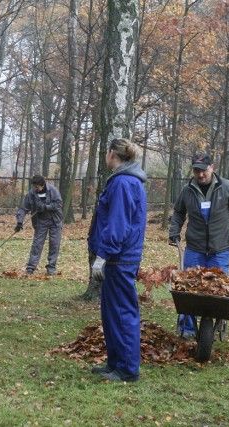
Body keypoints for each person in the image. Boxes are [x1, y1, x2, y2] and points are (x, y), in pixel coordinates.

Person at [169, 153, 229, 338]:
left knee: (220, 290)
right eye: (197, 170)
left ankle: (218, 324)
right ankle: (186, 329)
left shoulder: (226, 187)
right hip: (194, 249)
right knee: (187, 290)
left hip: (220, 250)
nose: (200, 175)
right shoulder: (188, 190)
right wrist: (174, 232)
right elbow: (179, 212)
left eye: (204, 170)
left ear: (212, 167)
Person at [88, 138, 147, 382]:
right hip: (117, 258)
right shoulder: (123, 180)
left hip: (120, 259)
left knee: (122, 313)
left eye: (106, 151)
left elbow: (118, 224)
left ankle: (127, 370)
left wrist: (103, 255)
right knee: (111, 313)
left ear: (112, 153)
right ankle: (115, 363)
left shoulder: (123, 183)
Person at [14, 175, 63, 275]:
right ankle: (31, 268)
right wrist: (20, 221)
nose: (35, 189)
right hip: (40, 221)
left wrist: (45, 207)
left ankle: (51, 267)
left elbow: (58, 204)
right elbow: (23, 208)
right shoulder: (31, 194)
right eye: (34, 187)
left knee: (54, 244)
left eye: (37, 187)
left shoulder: (52, 190)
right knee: (37, 244)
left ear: (42, 185)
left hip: (55, 220)